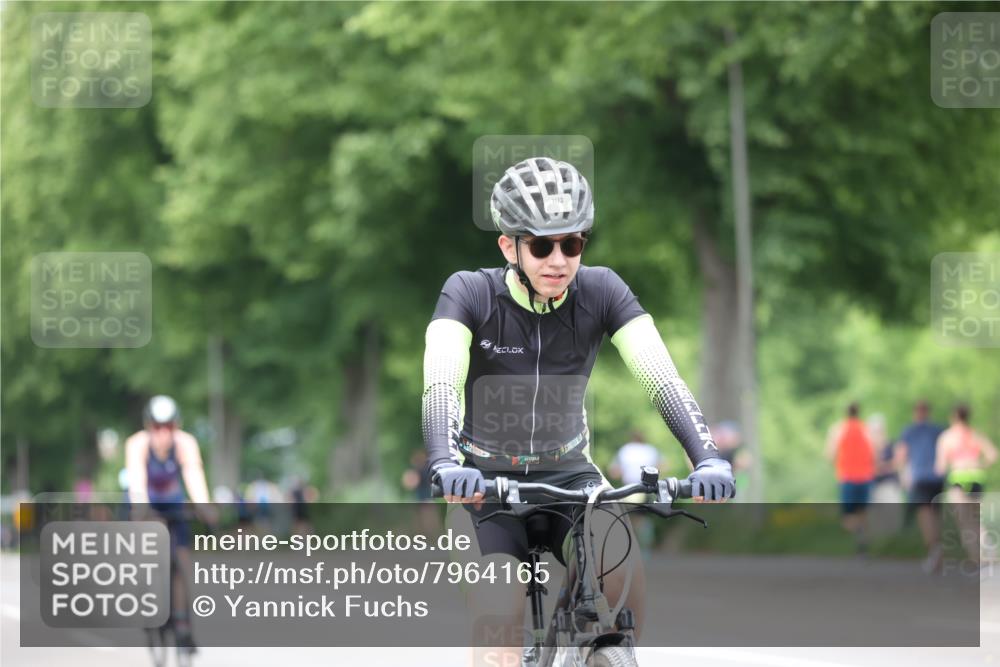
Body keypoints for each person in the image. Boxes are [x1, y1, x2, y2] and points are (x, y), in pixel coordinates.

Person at [422, 157, 735, 666]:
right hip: (483, 486)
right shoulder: (468, 293)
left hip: (571, 477)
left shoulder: (602, 290)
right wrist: (444, 463)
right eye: (542, 245)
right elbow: (440, 385)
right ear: (509, 245)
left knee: (624, 579)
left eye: (573, 243)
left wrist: (708, 458)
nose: (559, 259)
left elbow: (662, 379)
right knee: (499, 619)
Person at [125, 395, 212, 651]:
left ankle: (183, 625)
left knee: (181, 560)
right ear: (148, 426)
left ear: (177, 425)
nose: (163, 433)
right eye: (157, 426)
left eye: (169, 426)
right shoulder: (137, 444)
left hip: (173, 501)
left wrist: (204, 507)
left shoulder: (185, 443)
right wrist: (141, 509)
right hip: (146, 501)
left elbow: (193, 474)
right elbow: (137, 478)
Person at [935, 403, 998, 565]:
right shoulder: (975, 435)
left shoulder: (947, 437)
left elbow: (940, 467)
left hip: (958, 479)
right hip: (977, 477)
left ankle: (977, 559)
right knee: (976, 520)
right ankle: (989, 545)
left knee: (964, 522)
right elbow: (993, 454)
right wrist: (980, 464)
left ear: (953, 417)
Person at [894, 400, 947, 573]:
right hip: (937, 478)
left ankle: (933, 549)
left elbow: (901, 456)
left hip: (920, 478)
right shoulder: (938, 430)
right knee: (935, 514)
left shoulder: (909, 431)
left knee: (925, 516)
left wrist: (903, 476)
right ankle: (937, 547)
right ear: (928, 412)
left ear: (915, 412)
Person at [825, 402, 875, 554]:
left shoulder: (838, 429)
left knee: (847, 517)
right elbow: (875, 452)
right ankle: (862, 542)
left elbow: (830, 453)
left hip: (847, 477)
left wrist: (838, 463)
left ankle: (858, 531)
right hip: (866, 477)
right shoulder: (866, 429)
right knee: (862, 512)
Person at [609, 431, 665, 550]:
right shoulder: (651, 450)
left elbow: (614, 472)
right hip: (646, 489)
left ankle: (626, 548)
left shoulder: (624, 450)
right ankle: (645, 549)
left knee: (626, 518)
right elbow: (663, 466)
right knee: (643, 519)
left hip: (628, 489)